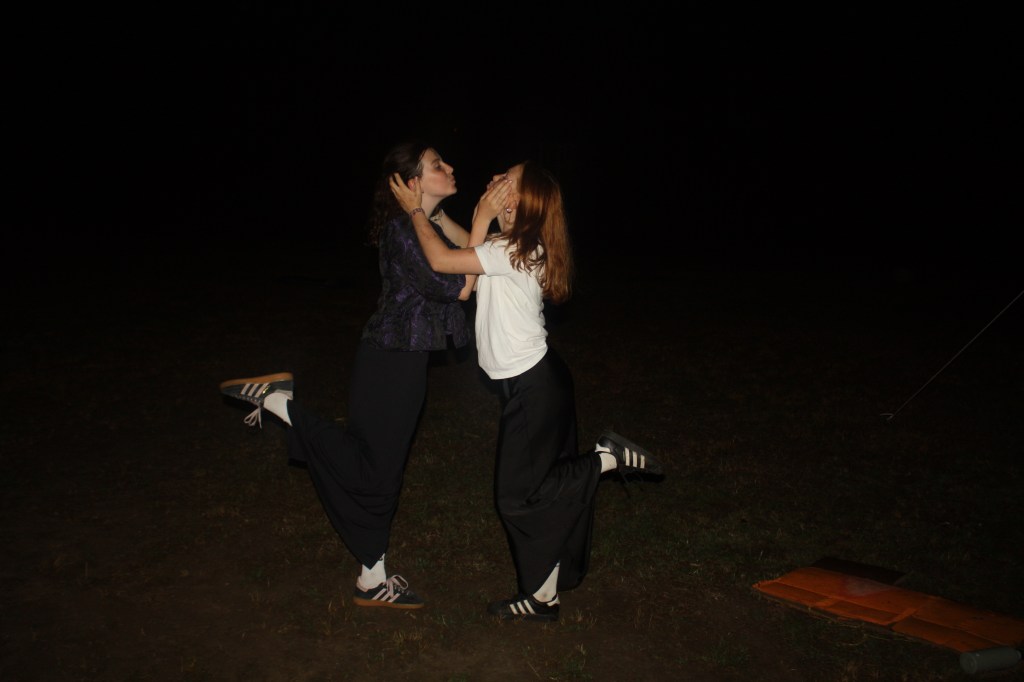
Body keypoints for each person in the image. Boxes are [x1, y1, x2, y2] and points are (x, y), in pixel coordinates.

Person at [218, 141, 503, 609]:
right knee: (376, 470)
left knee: (377, 468)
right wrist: (481, 219)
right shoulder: (403, 230)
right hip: (391, 361)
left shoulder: (420, 225)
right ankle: (278, 403)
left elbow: (464, 247)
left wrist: (471, 217)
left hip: (398, 359)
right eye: (437, 165)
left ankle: (372, 576)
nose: (450, 167)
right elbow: (459, 285)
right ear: (413, 183)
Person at [389, 160, 664, 622]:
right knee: (540, 491)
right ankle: (543, 597)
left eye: (507, 180)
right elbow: (468, 245)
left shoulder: (513, 248)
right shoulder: (514, 246)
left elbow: (444, 261)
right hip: (538, 383)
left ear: (519, 201)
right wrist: (437, 215)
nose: (495, 179)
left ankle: (606, 458)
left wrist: (420, 214)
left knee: (516, 497)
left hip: (535, 388)